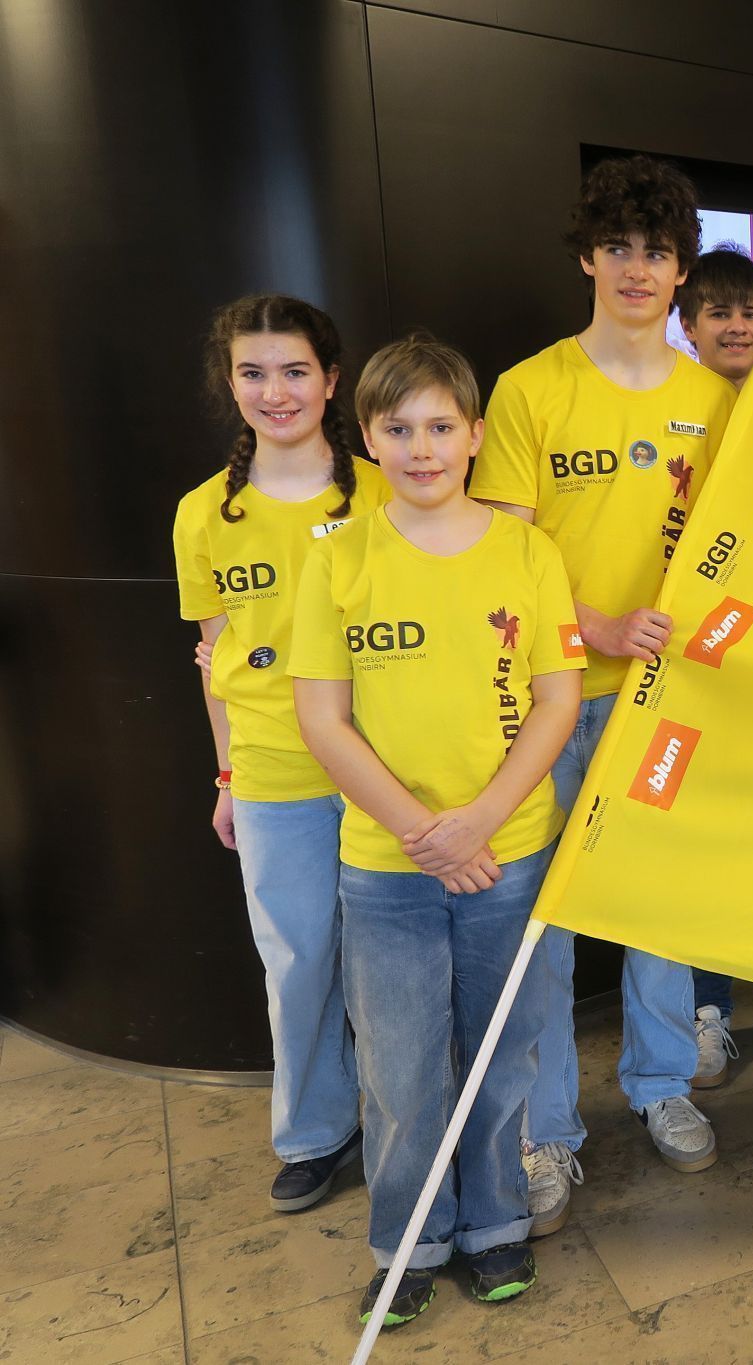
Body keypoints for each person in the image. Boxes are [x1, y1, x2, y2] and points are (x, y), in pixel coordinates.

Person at [292, 333, 584, 1327]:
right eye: (396, 429)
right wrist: (425, 831)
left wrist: (483, 822)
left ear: (474, 436)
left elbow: (555, 699)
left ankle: (496, 1225)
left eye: (439, 427)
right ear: (366, 440)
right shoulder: (337, 559)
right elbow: (322, 719)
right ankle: (410, 1240)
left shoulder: (526, 550)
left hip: (505, 854)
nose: (420, 449)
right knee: (403, 1067)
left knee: (503, 1054)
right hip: (388, 864)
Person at [470, 155, 734, 1235]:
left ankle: (662, 1085)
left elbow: (734, 558)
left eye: (657, 251)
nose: (636, 268)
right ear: (586, 255)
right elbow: (498, 564)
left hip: (664, 703)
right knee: (546, 921)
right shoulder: (530, 390)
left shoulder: (712, 401)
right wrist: (595, 630)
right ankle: (546, 1134)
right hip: (552, 702)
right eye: (617, 247)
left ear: (681, 273)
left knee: (657, 907)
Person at [172, 295, 385, 1214]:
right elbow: (215, 662)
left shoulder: (386, 488)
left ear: (331, 380)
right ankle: (314, 1133)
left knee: (389, 964)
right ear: (231, 385)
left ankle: (403, 1117)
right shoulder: (202, 515)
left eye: (295, 370)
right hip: (274, 774)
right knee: (297, 962)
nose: (276, 391)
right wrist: (225, 776)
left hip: (387, 771)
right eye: (253, 373)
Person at [669, 244, 753, 1087]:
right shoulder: (675, 404)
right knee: (701, 846)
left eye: (750, 312)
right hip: (689, 658)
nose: (736, 325)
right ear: (689, 325)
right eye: (718, 312)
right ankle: (708, 1010)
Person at [675, 248, 753, 389]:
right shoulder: (666, 407)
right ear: (689, 328)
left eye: (750, 315)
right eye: (720, 314)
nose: (738, 328)